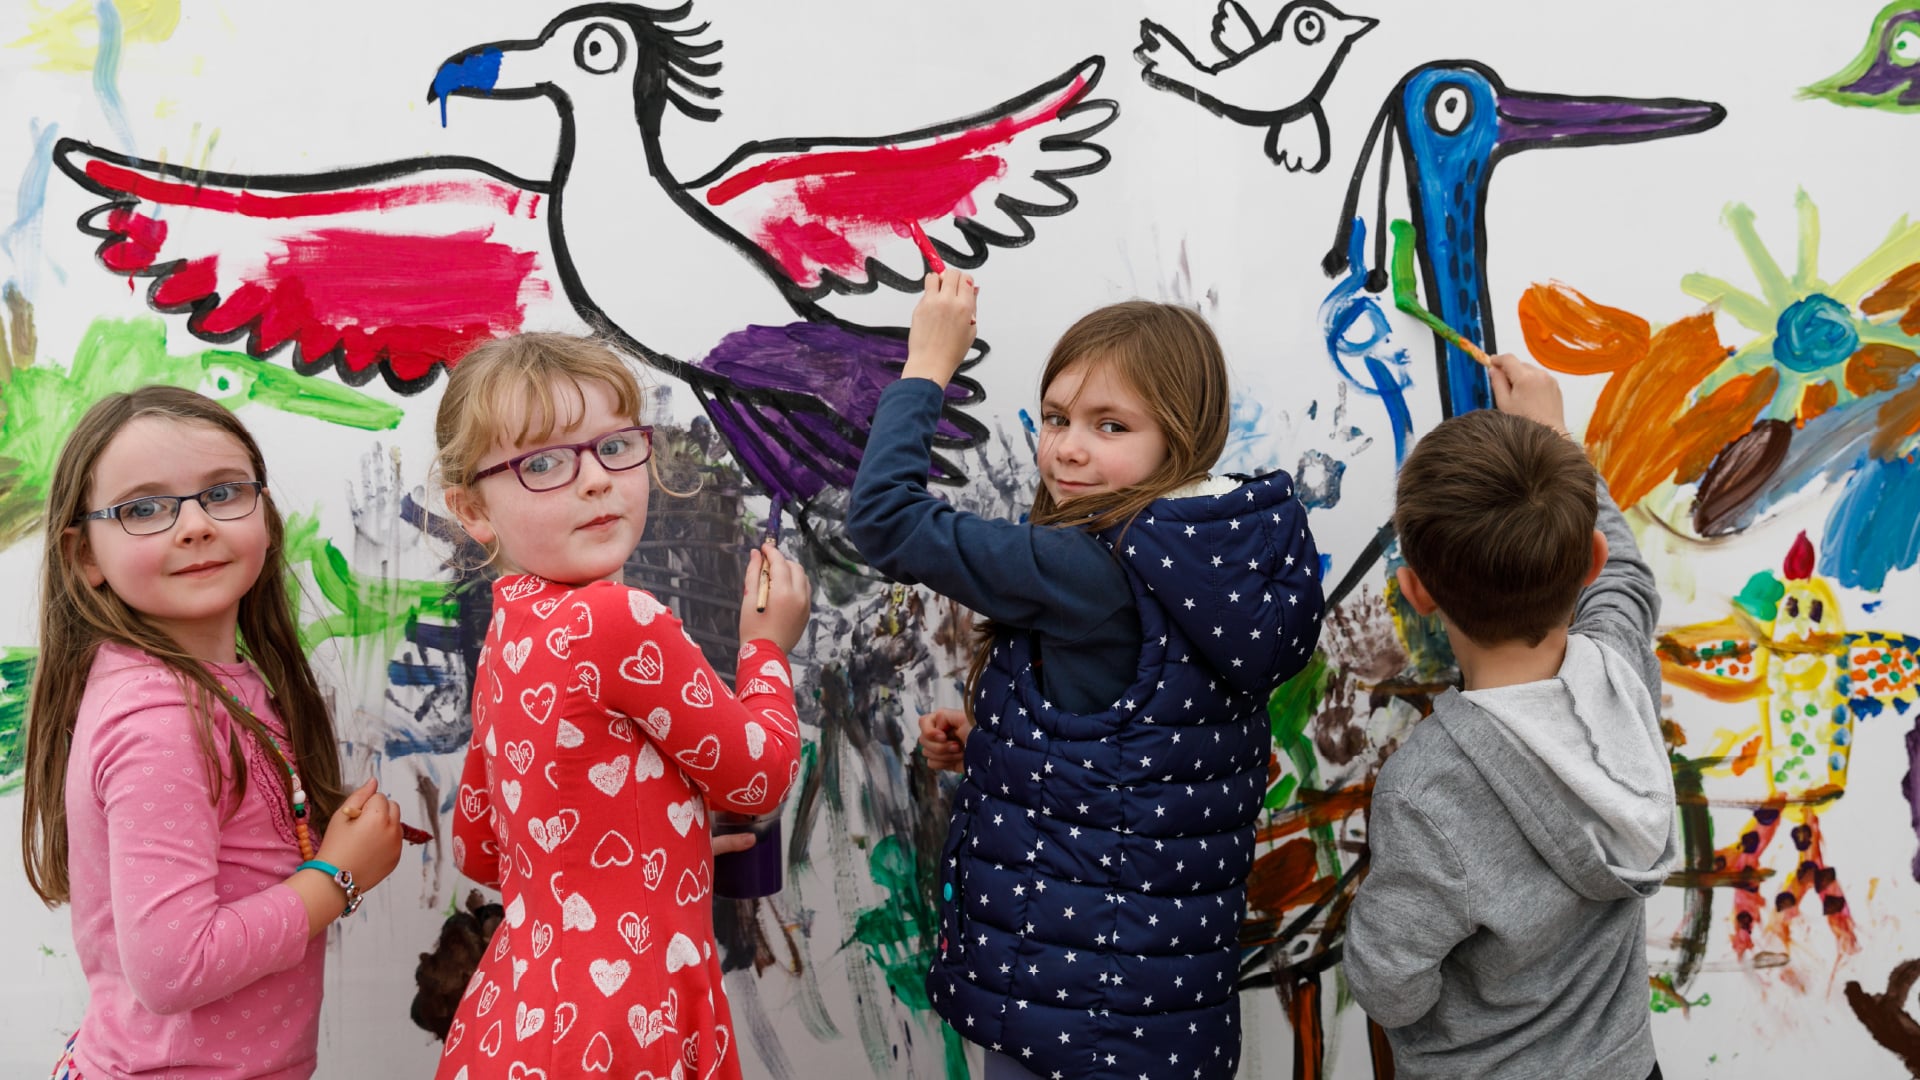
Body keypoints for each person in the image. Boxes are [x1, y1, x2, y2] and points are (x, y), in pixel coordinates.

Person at [847, 272, 1325, 1079]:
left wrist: (929, 363)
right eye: (1060, 418)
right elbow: (1148, 749)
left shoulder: (1089, 569)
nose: (1068, 446)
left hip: (1065, 1022)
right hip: (1162, 1016)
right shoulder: (1218, 558)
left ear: (1182, 438)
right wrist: (1007, 742)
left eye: (1110, 425)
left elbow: (885, 518)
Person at [428, 332, 808, 1080]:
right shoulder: (616, 619)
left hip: (513, 1022)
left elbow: (480, 844)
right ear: (472, 508)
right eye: (542, 463)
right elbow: (758, 778)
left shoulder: (508, 633)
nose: (596, 481)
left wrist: (661, 842)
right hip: (626, 1020)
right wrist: (767, 647)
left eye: (614, 448)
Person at [21, 385, 404, 1079]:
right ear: (85, 558)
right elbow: (175, 967)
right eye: (143, 508)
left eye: (223, 493)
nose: (194, 525)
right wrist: (338, 875)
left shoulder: (222, 687)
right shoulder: (161, 720)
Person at [1344, 352, 1675, 1080]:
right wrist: (1553, 432)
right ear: (1585, 560)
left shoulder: (1428, 788)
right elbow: (1625, 579)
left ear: (1416, 593)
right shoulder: (1622, 681)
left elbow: (1388, 984)